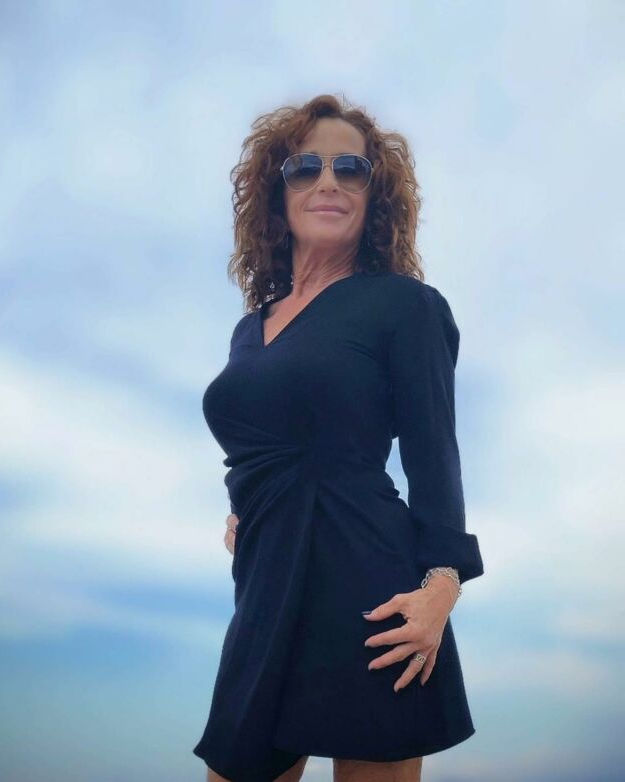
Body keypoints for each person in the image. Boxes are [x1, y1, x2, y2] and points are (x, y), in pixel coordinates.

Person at [193, 93, 485, 782]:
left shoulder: (406, 307)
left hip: (372, 591)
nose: (328, 180)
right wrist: (248, 509)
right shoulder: (250, 329)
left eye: (350, 168)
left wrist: (443, 586)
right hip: (264, 590)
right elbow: (265, 441)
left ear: (373, 193)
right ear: (278, 191)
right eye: (306, 167)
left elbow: (435, 457)